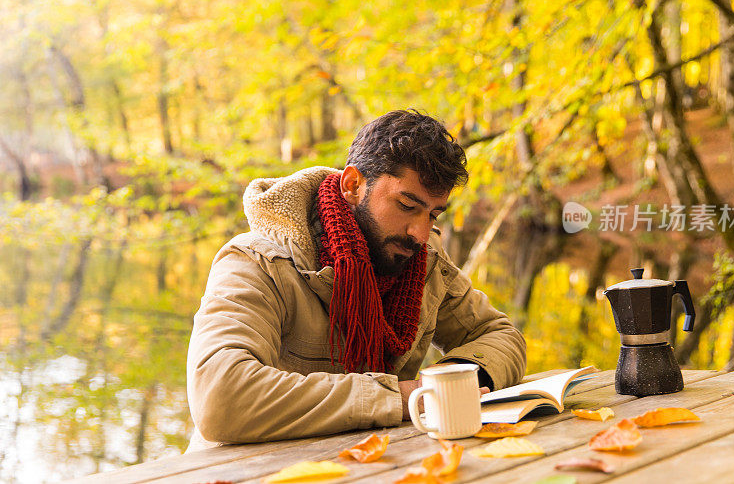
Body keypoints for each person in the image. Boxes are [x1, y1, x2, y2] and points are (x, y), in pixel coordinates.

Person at [186, 110, 527, 450]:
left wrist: (448, 380)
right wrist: (397, 399)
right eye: (407, 205)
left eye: (433, 214)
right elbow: (219, 397)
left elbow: (500, 334)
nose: (421, 233)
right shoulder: (256, 262)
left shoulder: (422, 260)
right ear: (353, 186)